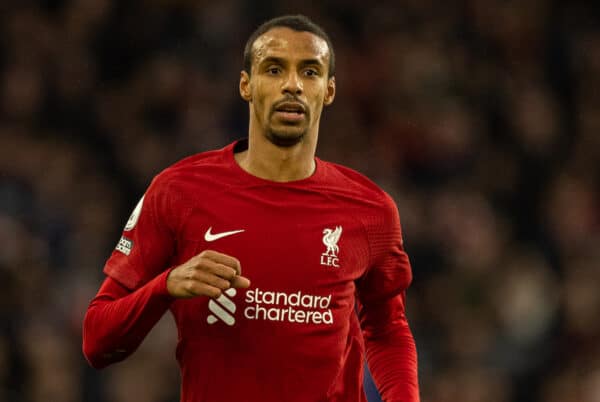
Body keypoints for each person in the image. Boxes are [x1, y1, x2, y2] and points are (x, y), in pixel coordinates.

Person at [82, 14, 420, 402]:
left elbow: (388, 329)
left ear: (328, 91)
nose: (292, 85)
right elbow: (97, 341)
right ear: (247, 85)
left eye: (309, 72)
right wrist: (167, 285)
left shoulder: (371, 209)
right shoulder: (178, 191)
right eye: (274, 69)